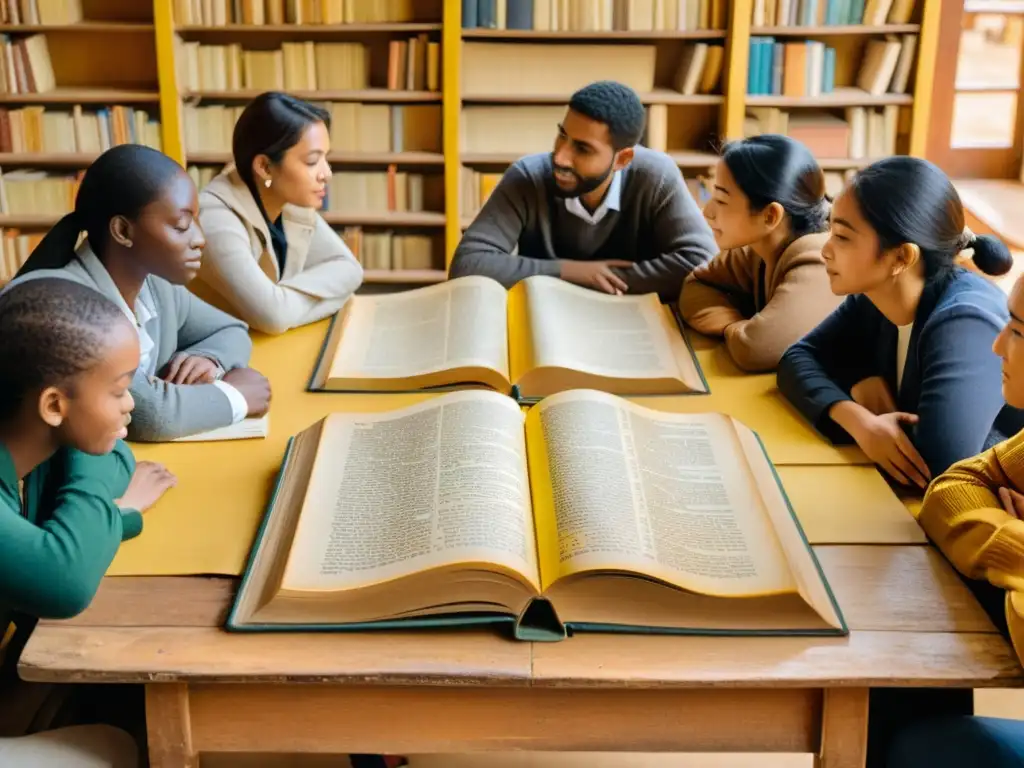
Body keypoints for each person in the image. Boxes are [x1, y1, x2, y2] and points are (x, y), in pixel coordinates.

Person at [0, 278, 176, 766]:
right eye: (119, 389)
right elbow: (64, 580)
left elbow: (117, 457)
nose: (132, 404)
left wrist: (112, 512)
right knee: (116, 746)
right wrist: (119, 513)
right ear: (53, 405)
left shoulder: (26, 439)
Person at [777, 155, 1018, 488]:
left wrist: (855, 384)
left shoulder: (964, 323)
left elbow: (933, 467)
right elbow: (796, 359)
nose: (825, 251)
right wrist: (859, 419)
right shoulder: (873, 297)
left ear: (901, 257)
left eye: (843, 238)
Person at [8, 144, 271, 443]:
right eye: (182, 225)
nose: (200, 240)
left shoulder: (155, 284)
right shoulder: (71, 310)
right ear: (122, 230)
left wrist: (208, 359)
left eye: (196, 221)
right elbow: (150, 416)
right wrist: (236, 396)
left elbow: (231, 329)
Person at [881, 272, 1024, 767]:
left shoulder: (958, 315)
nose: (998, 345)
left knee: (911, 740)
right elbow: (949, 489)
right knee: (901, 660)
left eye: (1018, 331)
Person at [449, 79, 716, 300]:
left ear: (622, 160)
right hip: (548, 324)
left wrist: (603, 281)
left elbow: (700, 262)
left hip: (631, 325)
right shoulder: (527, 176)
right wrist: (568, 271)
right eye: (562, 135)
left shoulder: (656, 177)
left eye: (582, 148)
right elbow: (468, 265)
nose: (560, 157)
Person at [194, 92, 364, 335]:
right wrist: (326, 296)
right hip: (206, 357)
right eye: (312, 161)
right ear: (264, 167)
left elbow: (350, 269)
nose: (326, 173)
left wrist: (284, 303)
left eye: (326, 158)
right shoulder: (214, 219)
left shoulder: (285, 196)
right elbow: (273, 318)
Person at [679, 134, 841, 371]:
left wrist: (737, 331)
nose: (708, 211)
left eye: (722, 200)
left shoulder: (821, 259)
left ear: (770, 216)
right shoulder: (758, 245)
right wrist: (734, 326)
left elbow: (756, 350)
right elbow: (695, 285)